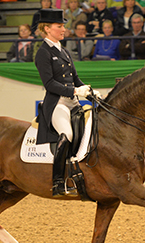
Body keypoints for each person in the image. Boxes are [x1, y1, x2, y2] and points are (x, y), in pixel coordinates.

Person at [34, 9, 101, 197]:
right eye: (59, 26)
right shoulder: (43, 53)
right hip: (57, 104)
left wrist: (88, 91)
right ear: (47, 28)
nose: (63, 29)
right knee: (67, 134)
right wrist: (73, 91)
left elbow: (75, 79)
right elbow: (49, 84)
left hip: (74, 102)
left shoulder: (63, 51)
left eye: (63, 25)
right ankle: (57, 182)